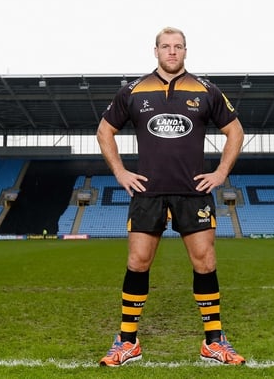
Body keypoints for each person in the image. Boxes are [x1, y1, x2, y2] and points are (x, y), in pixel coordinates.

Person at [97, 27, 246, 367]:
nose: (172, 52)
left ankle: (213, 342)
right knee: (137, 262)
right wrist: (120, 172)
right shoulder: (133, 91)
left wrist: (221, 173)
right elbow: (105, 130)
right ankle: (127, 342)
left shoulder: (206, 90)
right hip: (147, 191)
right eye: (166, 46)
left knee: (205, 262)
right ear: (155, 51)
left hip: (193, 191)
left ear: (185, 51)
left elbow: (235, 130)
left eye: (178, 46)